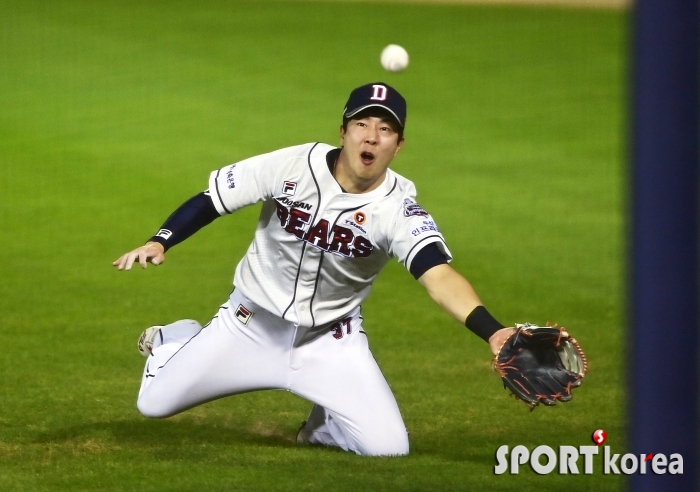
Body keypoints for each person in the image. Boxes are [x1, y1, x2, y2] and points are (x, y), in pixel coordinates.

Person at [113, 82, 515, 456]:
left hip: (330, 344)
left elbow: (438, 275)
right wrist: (160, 240)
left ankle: (322, 425)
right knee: (153, 404)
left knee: (389, 449)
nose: (371, 136)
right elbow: (213, 199)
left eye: (385, 129)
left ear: (399, 145)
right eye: (362, 123)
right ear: (343, 131)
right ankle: (173, 342)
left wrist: (492, 329)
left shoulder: (399, 209)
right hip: (247, 328)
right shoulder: (293, 165)